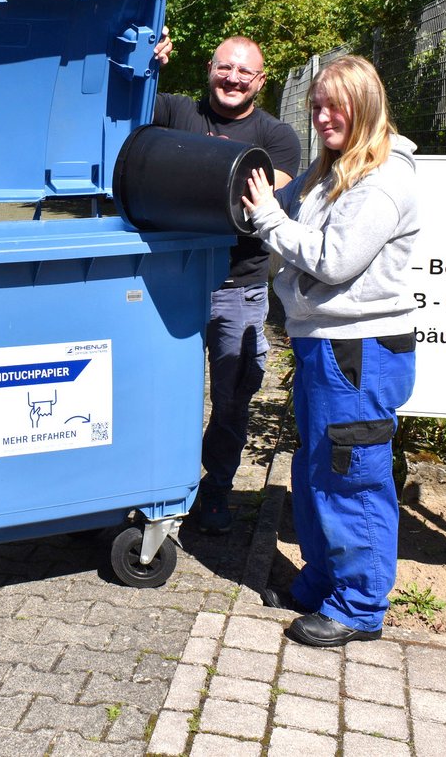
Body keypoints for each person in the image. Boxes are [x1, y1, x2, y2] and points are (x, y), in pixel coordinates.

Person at [240, 54, 419, 647]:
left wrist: (268, 215)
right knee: (318, 470)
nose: (321, 116)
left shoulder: (384, 178)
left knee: (354, 476)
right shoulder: (335, 169)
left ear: (364, 104)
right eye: (316, 105)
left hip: (359, 350)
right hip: (326, 344)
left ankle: (360, 605)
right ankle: (324, 581)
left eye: (333, 105)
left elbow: (334, 259)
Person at [151, 35, 301, 534]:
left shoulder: (277, 137)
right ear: (209, 68)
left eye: (245, 72)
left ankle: (215, 491)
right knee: (158, 388)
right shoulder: (174, 110)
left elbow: (254, 205)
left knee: (234, 397)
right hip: (170, 282)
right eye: (225, 68)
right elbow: (118, 110)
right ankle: (154, 488)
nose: (233, 79)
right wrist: (145, 65)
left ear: (261, 80)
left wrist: (177, 175)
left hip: (239, 286)